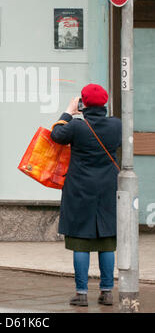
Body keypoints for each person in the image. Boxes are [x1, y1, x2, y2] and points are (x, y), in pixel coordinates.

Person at [51, 84, 122, 307]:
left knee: (81, 242)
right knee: (107, 242)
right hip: (108, 188)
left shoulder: (77, 126)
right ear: (105, 103)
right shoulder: (116, 125)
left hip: (80, 189)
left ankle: (81, 294)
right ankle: (107, 292)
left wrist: (68, 111)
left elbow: (56, 135)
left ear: (83, 103)